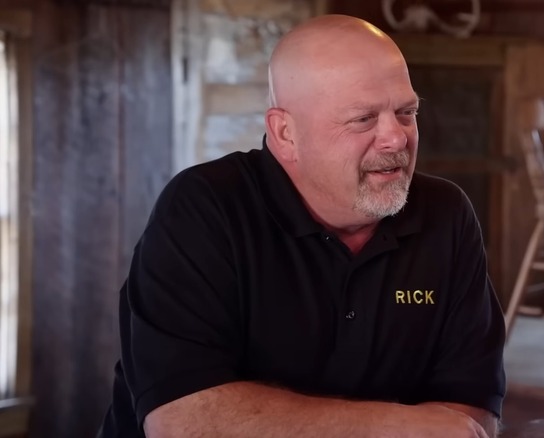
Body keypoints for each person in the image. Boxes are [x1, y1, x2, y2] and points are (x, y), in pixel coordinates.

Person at [98, 14, 506, 438]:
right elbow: (183, 421)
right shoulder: (203, 208)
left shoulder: (446, 213)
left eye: (406, 112)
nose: (397, 138)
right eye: (363, 119)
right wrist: (398, 425)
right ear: (285, 133)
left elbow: (471, 411)